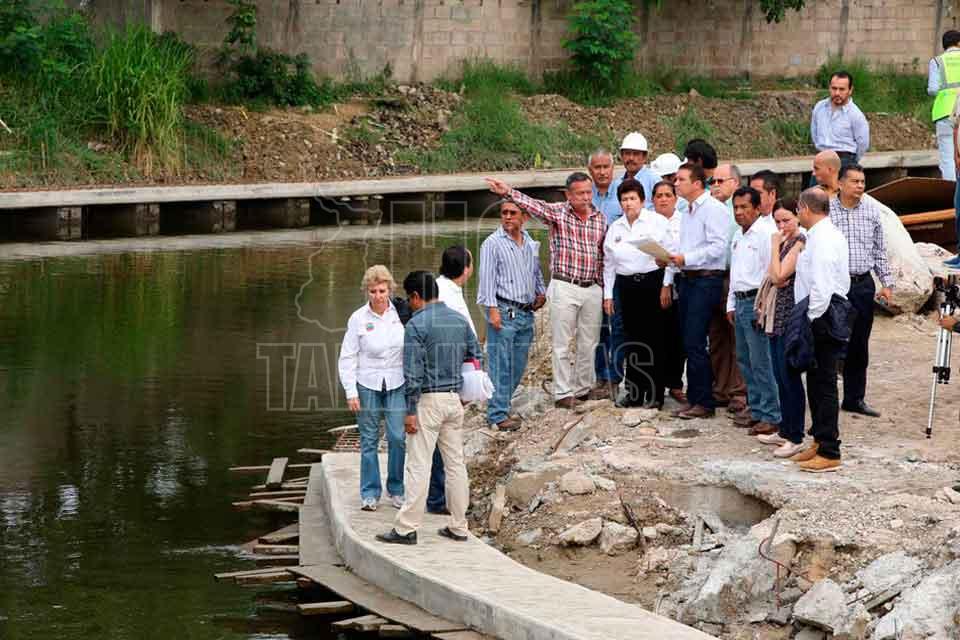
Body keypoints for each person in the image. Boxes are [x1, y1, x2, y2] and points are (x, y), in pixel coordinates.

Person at [376, 271, 480, 545]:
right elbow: (476, 355)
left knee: (418, 465)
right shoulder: (459, 319)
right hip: (454, 400)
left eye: (409, 299)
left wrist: (409, 411)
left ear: (415, 296)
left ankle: (406, 529)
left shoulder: (416, 325)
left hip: (428, 402)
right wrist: (464, 391)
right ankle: (459, 526)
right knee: (455, 465)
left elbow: (413, 373)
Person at [485, 172, 605, 410]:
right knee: (562, 343)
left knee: (589, 342)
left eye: (588, 192)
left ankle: (582, 388)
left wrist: (603, 288)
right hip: (565, 284)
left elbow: (602, 255)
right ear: (568, 195)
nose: (585, 197)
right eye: (580, 193)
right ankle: (563, 393)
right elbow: (533, 205)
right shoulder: (558, 213)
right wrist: (508, 192)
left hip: (592, 286)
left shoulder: (600, 218)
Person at [791, 188, 851, 473]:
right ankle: (818, 439)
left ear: (805, 208)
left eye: (797, 209)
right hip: (817, 312)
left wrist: (810, 319)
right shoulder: (816, 235)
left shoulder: (825, 238)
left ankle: (829, 450)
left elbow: (823, 285)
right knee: (814, 381)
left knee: (825, 383)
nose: (797, 214)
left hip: (823, 315)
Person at [337, 265, 407, 512]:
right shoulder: (358, 318)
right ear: (367, 291)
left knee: (397, 437)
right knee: (369, 439)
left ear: (390, 290)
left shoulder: (400, 314)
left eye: (382, 291)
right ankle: (369, 492)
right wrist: (351, 391)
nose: (378, 296)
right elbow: (347, 357)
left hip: (397, 381)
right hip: (367, 383)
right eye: (373, 291)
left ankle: (396, 488)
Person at [828, 164, 893, 417]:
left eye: (862, 182)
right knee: (831, 341)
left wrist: (886, 284)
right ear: (840, 183)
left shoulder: (871, 211)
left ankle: (854, 398)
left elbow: (879, 250)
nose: (859, 186)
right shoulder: (827, 210)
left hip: (863, 284)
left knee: (859, 343)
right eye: (854, 181)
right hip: (835, 284)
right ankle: (827, 398)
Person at [477, 200, 547, 431]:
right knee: (500, 364)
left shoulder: (529, 241)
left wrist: (541, 292)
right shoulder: (492, 243)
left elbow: (535, 271)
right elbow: (486, 279)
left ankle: (501, 406)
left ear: (524, 217)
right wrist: (492, 310)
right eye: (504, 213)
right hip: (504, 310)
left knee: (517, 365)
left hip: (526, 312)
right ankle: (497, 414)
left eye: (512, 213)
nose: (507, 217)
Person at [602, 178, 672, 408]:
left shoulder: (656, 222)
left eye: (632, 198)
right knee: (631, 339)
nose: (628, 203)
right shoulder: (616, 228)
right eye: (624, 199)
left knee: (654, 338)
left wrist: (666, 284)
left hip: (652, 283)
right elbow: (609, 264)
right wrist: (608, 295)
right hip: (626, 286)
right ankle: (634, 393)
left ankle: (655, 393)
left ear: (642, 200)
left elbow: (670, 254)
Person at [668, 162, 730, 419]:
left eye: (680, 179)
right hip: (688, 278)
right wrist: (672, 260)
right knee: (688, 339)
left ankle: (704, 401)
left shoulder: (713, 209)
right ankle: (695, 397)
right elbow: (686, 246)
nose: (676, 183)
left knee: (696, 340)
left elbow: (718, 247)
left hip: (706, 279)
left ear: (696, 183)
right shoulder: (687, 211)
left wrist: (686, 258)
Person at [725, 187, 781, 436]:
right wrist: (730, 304)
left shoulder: (766, 234)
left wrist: (763, 307)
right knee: (745, 359)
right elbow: (735, 273)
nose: (739, 212)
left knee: (761, 361)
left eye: (744, 207)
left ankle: (771, 414)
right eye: (735, 207)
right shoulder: (738, 236)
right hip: (740, 301)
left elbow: (771, 273)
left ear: (757, 209)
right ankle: (756, 409)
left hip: (757, 301)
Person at [428, 246, 476, 516]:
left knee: (442, 441)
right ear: (466, 269)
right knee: (443, 442)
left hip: (445, 376)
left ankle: (443, 496)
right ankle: (438, 498)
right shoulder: (446, 295)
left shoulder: (445, 289)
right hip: (444, 379)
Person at [760, 199, 807, 458]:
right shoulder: (784, 243)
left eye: (786, 220)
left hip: (790, 315)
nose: (781, 226)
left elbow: (779, 275)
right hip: (775, 315)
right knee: (779, 374)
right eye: (777, 221)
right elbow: (772, 273)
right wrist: (776, 252)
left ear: (797, 216)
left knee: (789, 377)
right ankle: (785, 428)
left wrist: (774, 246)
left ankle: (795, 435)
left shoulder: (799, 242)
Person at [708, 163, 749, 416]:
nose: (715, 186)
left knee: (737, 337)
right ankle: (721, 388)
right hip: (712, 276)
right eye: (712, 181)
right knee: (717, 337)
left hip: (734, 275)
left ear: (735, 182)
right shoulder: (709, 208)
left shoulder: (742, 209)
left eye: (720, 181)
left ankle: (739, 391)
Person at [589, 149, 625, 399]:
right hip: (591, 273)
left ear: (613, 168)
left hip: (617, 271)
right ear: (590, 170)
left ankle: (616, 376)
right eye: (597, 167)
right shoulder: (584, 195)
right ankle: (601, 376)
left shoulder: (622, 195)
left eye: (606, 167)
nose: (602, 172)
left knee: (618, 326)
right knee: (598, 327)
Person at [653, 180, 687, 404]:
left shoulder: (684, 221)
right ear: (652, 200)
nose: (663, 199)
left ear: (676, 198)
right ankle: (655, 385)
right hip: (650, 278)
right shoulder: (648, 221)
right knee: (656, 334)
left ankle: (675, 383)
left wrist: (667, 283)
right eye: (659, 195)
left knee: (677, 334)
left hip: (677, 280)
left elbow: (678, 253)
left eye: (668, 195)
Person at [810, 71, 870, 167]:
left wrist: (851, 162)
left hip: (845, 160)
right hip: (822, 158)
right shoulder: (819, 107)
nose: (837, 93)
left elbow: (863, 143)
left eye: (842, 89)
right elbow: (814, 133)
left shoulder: (855, 114)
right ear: (829, 87)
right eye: (834, 88)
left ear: (850, 90)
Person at [928, 30, 960, 181]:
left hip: (945, 113)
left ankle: (951, 191)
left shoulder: (937, 61)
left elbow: (933, 89)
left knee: (947, 158)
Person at [613, 132, 660, 212]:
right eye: (627, 153)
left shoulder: (654, 181)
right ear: (622, 155)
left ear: (644, 157)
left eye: (636, 154)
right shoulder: (617, 183)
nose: (631, 158)